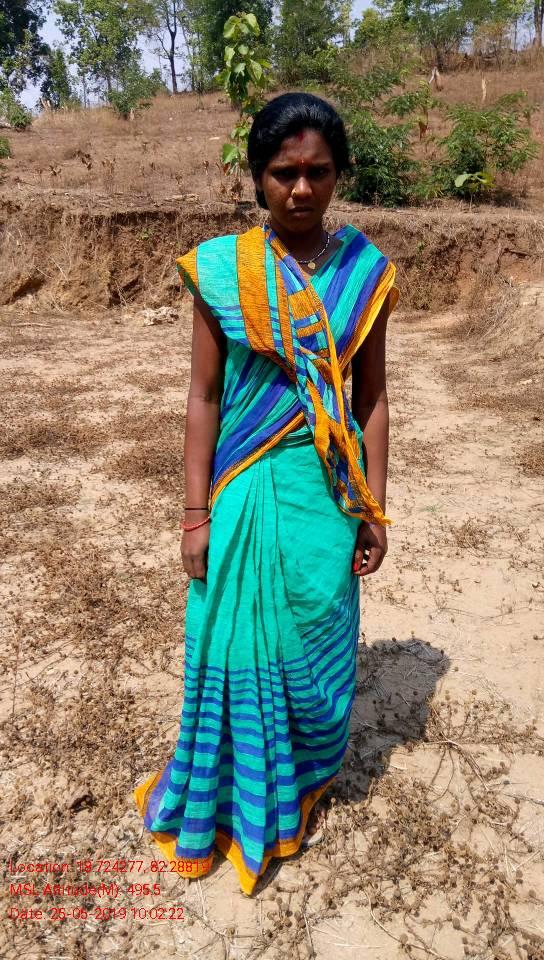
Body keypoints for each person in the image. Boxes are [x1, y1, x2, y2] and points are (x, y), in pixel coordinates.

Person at [133, 91, 398, 897]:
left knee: (318, 635)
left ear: (340, 174)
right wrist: (194, 514)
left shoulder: (364, 273)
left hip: (325, 494)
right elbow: (203, 397)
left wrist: (374, 507)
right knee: (237, 646)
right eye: (285, 172)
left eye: (319, 171)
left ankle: (301, 776)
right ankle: (237, 801)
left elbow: (372, 398)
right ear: (257, 177)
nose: (302, 188)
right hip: (244, 492)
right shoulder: (224, 271)